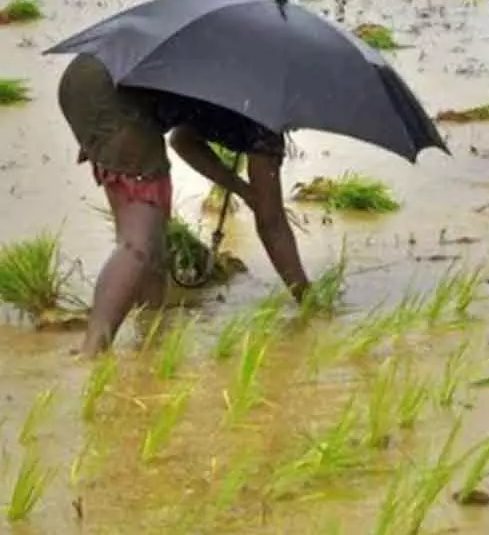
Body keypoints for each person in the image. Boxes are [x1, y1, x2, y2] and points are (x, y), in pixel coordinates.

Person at [58, 53, 173, 356]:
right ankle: (92, 349)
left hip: (83, 79)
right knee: (138, 243)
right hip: (116, 100)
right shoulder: (231, 73)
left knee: (151, 239)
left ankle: (152, 333)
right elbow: (186, 140)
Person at [157, 95, 311, 302]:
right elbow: (271, 222)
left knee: (268, 213)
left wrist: (244, 191)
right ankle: (305, 297)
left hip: (228, 105)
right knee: (270, 217)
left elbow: (181, 140)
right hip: (256, 115)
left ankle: (151, 294)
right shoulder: (266, 123)